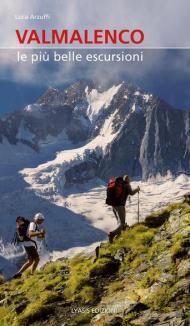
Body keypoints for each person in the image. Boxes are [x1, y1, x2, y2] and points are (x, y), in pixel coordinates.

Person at [108, 175, 140, 243]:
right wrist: (137, 189)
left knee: (119, 222)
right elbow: (131, 193)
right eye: (129, 179)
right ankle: (112, 234)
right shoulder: (127, 185)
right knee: (122, 223)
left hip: (114, 205)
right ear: (127, 180)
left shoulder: (120, 185)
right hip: (120, 206)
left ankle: (118, 236)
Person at [13, 213, 45, 279]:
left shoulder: (34, 225)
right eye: (41, 220)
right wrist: (40, 233)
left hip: (27, 244)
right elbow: (31, 234)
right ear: (38, 219)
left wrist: (41, 235)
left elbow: (36, 235)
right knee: (37, 259)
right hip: (30, 244)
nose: (42, 221)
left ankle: (19, 273)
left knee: (30, 261)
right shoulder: (33, 224)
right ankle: (32, 274)